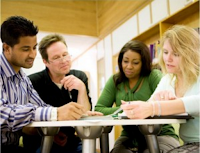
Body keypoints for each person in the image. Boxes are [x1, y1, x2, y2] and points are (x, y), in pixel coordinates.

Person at [0, 16, 102, 153]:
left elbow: (42, 106)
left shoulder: (22, 79)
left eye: (34, 47)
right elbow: (3, 114)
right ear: (7, 48)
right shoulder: (29, 79)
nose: (32, 54)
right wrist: (55, 113)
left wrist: (78, 113)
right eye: (25, 49)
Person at [121, 25, 200, 153]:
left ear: (190, 54)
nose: (168, 59)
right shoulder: (168, 79)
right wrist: (136, 108)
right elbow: (148, 106)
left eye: (176, 54)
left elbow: (198, 102)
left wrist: (156, 107)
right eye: (165, 52)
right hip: (189, 144)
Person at [95, 40, 180, 153]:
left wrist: (134, 110)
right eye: (125, 61)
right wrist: (128, 110)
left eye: (135, 63)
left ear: (143, 63)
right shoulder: (115, 81)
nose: (129, 66)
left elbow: (168, 104)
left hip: (160, 135)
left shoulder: (153, 76)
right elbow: (99, 109)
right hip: (129, 138)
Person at [23, 33, 92, 153]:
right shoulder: (32, 82)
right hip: (40, 140)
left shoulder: (79, 77)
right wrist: (51, 133)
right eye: (56, 58)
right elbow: (25, 123)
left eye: (65, 55)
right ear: (45, 61)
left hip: (71, 141)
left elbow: (84, 114)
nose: (64, 61)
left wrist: (82, 89)